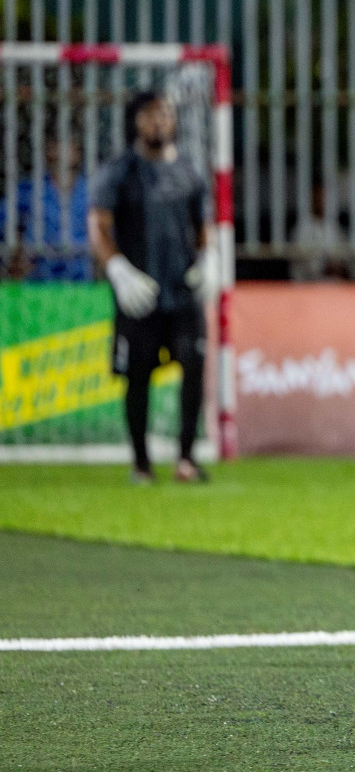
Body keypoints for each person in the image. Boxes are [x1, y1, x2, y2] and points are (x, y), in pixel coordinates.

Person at [89, 91, 217, 485]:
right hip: (139, 292)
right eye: (151, 115)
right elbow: (99, 224)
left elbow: (203, 228)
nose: (160, 121)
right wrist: (117, 269)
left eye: (166, 113)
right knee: (138, 374)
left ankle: (186, 459)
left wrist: (204, 263)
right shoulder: (120, 171)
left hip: (182, 292)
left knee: (193, 366)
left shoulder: (189, 172)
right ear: (137, 122)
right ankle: (141, 463)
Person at [2, 135, 93, 281]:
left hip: (83, 280)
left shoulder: (92, 190)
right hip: (38, 279)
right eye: (59, 143)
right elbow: (5, 223)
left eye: (70, 142)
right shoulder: (28, 189)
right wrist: (16, 255)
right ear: (49, 152)